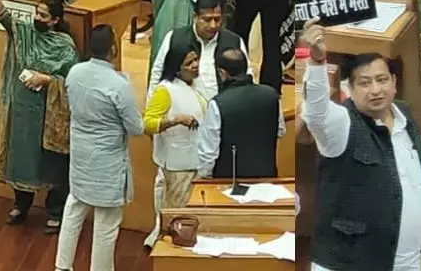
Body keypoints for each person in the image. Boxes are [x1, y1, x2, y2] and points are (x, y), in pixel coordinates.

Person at [301, 20, 421, 271]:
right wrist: (317, 62)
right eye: (365, 83)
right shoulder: (342, 124)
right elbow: (316, 113)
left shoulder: (405, 118)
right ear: (349, 89)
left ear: (394, 82)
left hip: (405, 262)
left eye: (381, 79)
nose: (376, 89)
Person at [0, 0, 80, 233]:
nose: (37, 19)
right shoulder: (24, 32)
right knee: (20, 159)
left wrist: (47, 79)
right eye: (36, 13)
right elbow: (0, 14)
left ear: (55, 21)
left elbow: (73, 80)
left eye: (43, 15)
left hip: (49, 116)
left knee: (52, 164)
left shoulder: (64, 45)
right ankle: (21, 205)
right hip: (21, 113)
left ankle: (54, 212)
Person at [56, 24, 144, 270]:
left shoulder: (74, 73)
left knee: (74, 208)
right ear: (113, 49)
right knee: (106, 224)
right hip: (108, 162)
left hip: (81, 155)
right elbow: (136, 127)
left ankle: (62, 266)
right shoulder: (118, 85)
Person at [144, 37, 204, 243]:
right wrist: (175, 120)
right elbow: (148, 124)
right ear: (177, 68)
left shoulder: (196, 85)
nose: (195, 65)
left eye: (196, 60)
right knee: (177, 218)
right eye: (189, 63)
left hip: (195, 161)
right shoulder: (165, 90)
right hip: (177, 164)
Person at [197, 47, 283, 179]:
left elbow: (208, 153)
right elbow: (280, 131)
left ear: (222, 73)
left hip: (228, 183)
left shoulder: (218, 104)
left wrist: (204, 178)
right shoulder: (272, 95)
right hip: (267, 178)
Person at [149, 0, 248, 103]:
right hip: (182, 105)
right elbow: (157, 72)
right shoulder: (175, 38)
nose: (213, 25)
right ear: (195, 17)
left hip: (222, 106)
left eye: (217, 19)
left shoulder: (234, 41)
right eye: (207, 19)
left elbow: (247, 76)